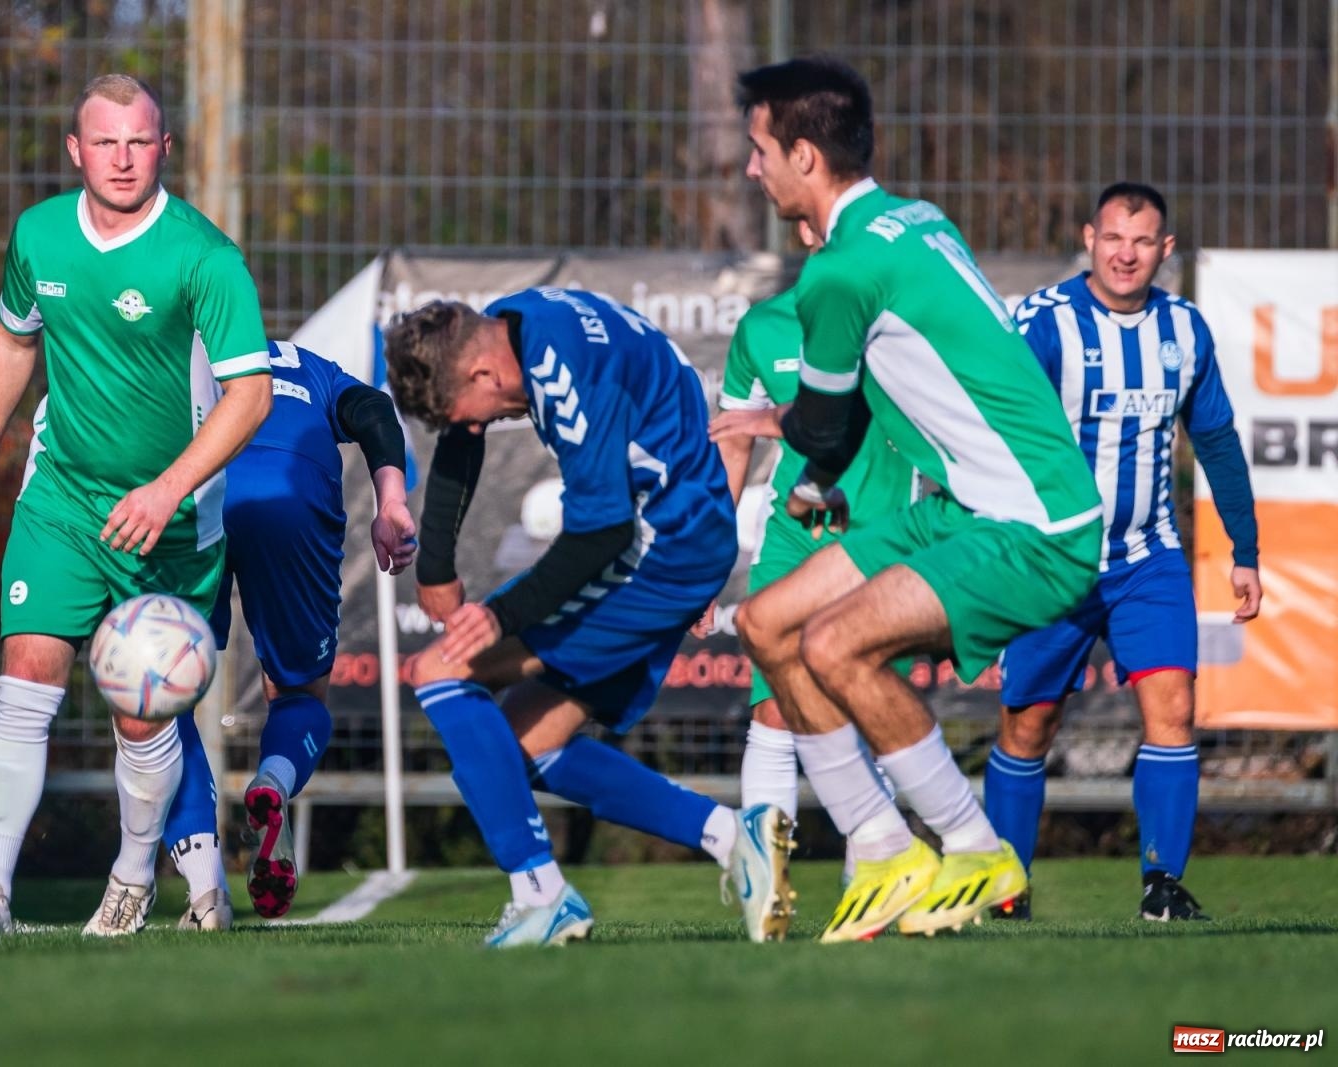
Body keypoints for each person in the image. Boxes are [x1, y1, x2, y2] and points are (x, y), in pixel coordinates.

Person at [732, 55, 1104, 941]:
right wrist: (816, 462)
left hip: (1033, 524)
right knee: (764, 622)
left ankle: (972, 847)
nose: (753, 170)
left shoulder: (840, 274)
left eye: (760, 150)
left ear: (806, 157)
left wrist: (766, 423)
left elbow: (822, 425)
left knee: (832, 643)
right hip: (970, 507)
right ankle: (881, 843)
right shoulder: (917, 221)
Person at [0, 74, 272, 937]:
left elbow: (250, 397)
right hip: (61, 495)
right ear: (75, 150)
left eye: (140, 141)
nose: (123, 158)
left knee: (141, 709)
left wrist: (167, 489)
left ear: (165, 148)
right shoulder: (39, 235)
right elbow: (15, 343)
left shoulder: (205, 256)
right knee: (27, 673)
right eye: (106, 142)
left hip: (173, 519)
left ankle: (131, 872)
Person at [386, 288, 785, 948]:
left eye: (468, 409)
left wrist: (500, 614)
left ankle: (542, 896)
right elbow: (465, 434)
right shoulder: (519, 322)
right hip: (680, 535)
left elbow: (600, 532)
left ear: (485, 374)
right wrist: (435, 564)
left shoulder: (563, 366)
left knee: (440, 670)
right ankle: (733, 837)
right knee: (524, 741)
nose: (474, 423)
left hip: (658, 546)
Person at [985, 182, 1261, 922]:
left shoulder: (1185, 330)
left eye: (1142, 241)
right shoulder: (1043, 325)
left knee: (1173, 707)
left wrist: (1245, 548)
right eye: (1113, 238)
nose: (1126, 253)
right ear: (1089, 239)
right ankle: (1006, 887)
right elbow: (992, 435)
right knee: (1028, 725)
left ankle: (1161, 886)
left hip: (1149, 556)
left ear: (1164, 250)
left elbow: (1216, 440)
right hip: (1052, 560)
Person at [162, 340, 417, 931]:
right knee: (299, 693)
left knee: (162, 698)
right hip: (293, 492)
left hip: (196, 486)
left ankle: (204, 885)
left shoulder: (178, 352)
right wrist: (392, 501)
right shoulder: (306, 363)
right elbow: (375, 408)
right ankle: (273, 782)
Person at [708, 218, 916, 919]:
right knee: (773, 704)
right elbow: (733, 444)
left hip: (881, 533)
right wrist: (708, 558)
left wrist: (777, 419)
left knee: (870, 703)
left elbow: (864, 409)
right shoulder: (760, 329)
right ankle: (763, 885)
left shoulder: (893, 320)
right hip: (793, 542)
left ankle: (876, 882)